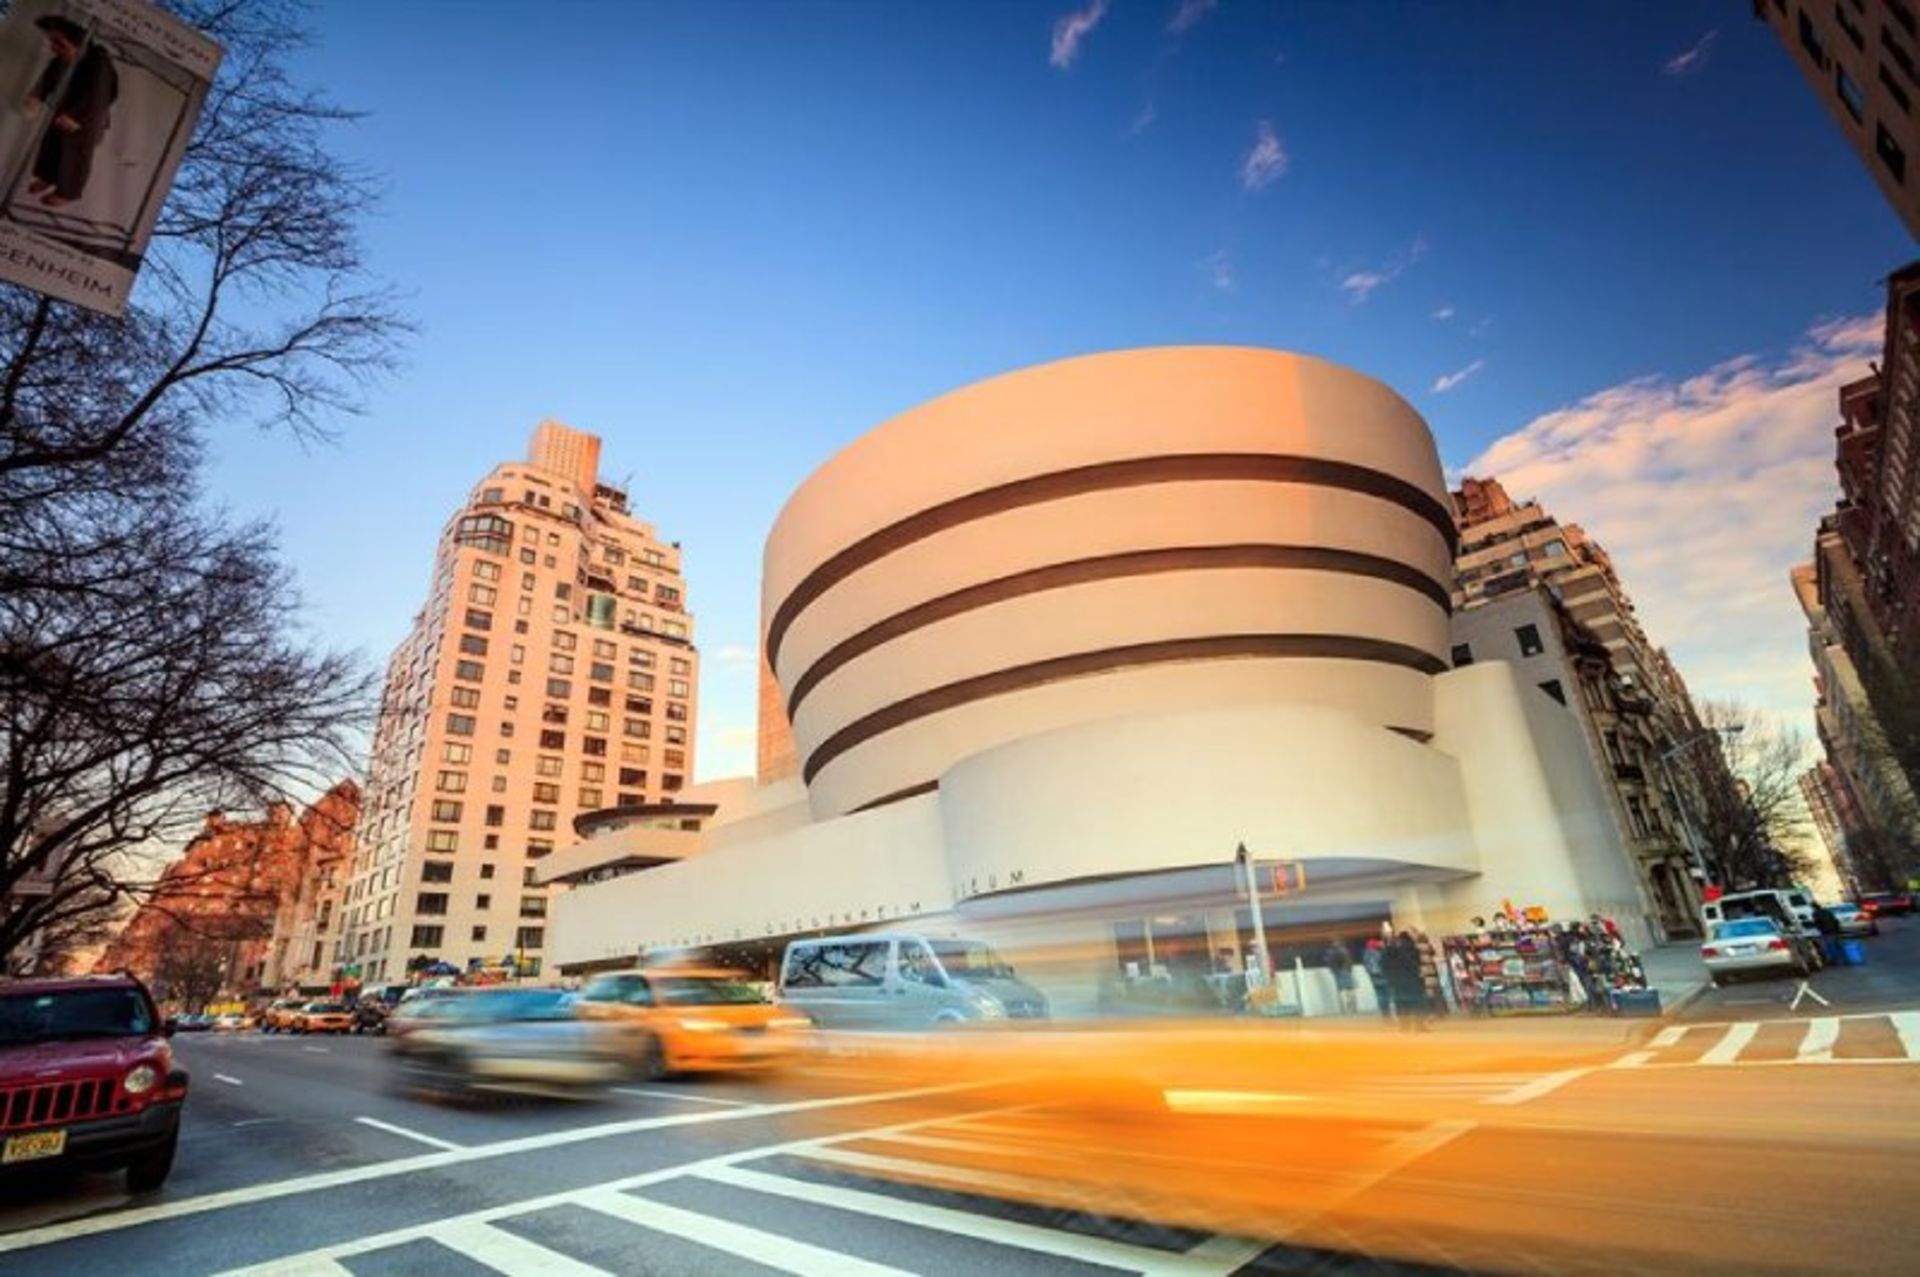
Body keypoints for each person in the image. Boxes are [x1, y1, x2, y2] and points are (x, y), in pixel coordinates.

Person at [26, 16, 118, 208]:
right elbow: (48, 78)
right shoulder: (62, 60)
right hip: (63, 110)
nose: (54, 48)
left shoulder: (98, 60)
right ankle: (49, 176)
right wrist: (37, 96)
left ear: (77, 40)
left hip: (86, 120)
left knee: (75, 156)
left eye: (58, 43)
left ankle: (68, 191)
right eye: (52, 42)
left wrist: (77, 116)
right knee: (52, 145)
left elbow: (99, 93)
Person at [1385, 931, 1432, 1031]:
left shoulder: (1390, 951)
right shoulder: (1411, 949)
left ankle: (1404, 1027)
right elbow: (1413, 963)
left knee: (1402, 1004)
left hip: (1398, 982)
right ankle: (1420, 1026)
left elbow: (1386, 967)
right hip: (1412, 980)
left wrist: (1391, 979)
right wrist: (1419, 973)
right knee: (1418, 1003)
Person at [1362, 936, 1392, 1020]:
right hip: (1383, 978)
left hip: (1374, 979)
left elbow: (1367, 967)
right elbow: (1379, 966)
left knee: (1380, 997)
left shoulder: (1365, 955)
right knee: (1387, 997)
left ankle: (1385, 1016)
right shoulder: (1377, 953)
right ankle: (1388, 1016)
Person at [1324, 939, 1357, 1014]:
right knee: (1350, 989)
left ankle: (1346, 1009)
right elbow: (1349, 961)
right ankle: (1353, 1008)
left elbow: (1328, 962)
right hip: (1345, 971)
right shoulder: (1344, 950)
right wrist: (1349, 969)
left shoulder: (1329, 953)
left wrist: (1333, 971)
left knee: (1342, 990)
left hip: (1337, 972)